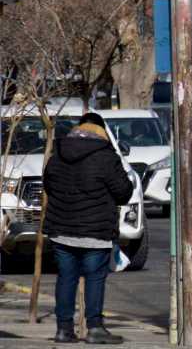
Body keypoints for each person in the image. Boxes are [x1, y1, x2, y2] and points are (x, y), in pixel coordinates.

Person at [42, 112, 133, 344]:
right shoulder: (106, 156)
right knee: (94, 278)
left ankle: (63, 329)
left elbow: (49, 184)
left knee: (66, 278)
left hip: (61, 229)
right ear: (102, 132)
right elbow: (123, 191)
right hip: (96, 231)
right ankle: (94, 328)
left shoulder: (58, 152)